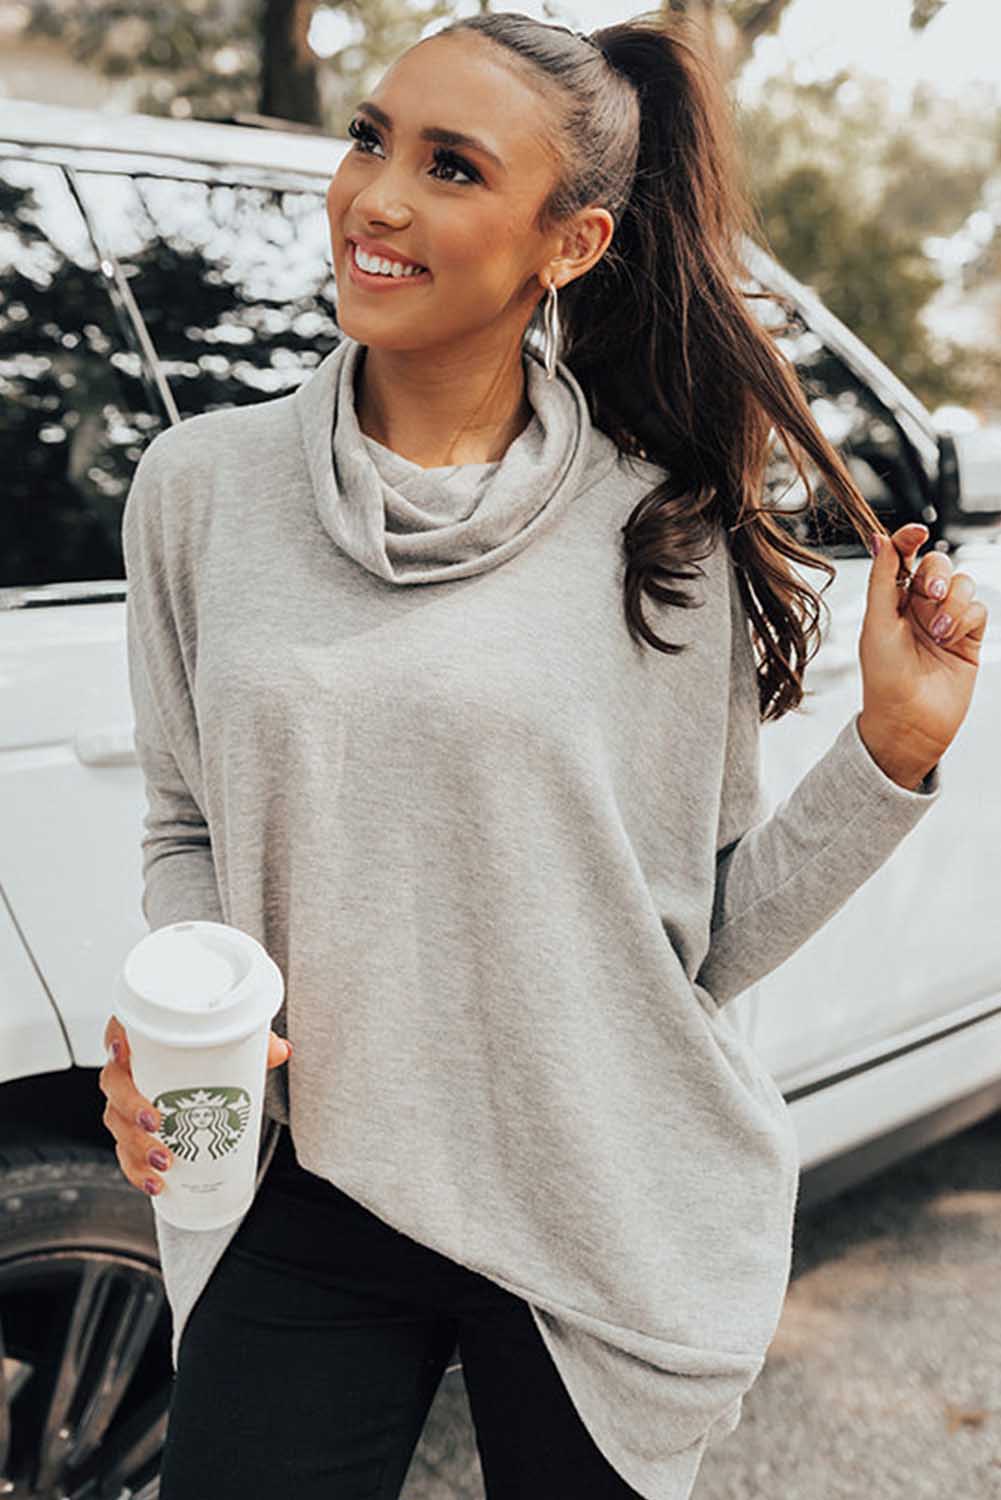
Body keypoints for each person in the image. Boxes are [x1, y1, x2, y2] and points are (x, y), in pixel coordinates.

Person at [99, 10, 986, 1499]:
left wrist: (889, 751)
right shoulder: (200, 491)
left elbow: (688, 941)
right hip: (303, 1183)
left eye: (449, 167)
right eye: (372, 137)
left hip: (595, 1189)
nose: (377, 196)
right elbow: (188, 821)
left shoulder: (662, 536)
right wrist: (194, 1035)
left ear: (567, 245)